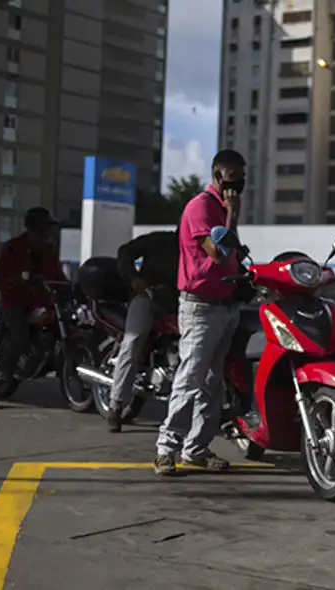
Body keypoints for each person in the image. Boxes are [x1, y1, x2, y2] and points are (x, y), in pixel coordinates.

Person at [154, 150, 246, 476]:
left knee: (212, 383)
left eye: (242, 180)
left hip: (225, 306)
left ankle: (196, 448)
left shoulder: (220, 209)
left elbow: (233, 255)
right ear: (217, 178)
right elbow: (218, 254)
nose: (238, 188)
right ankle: (167, 448)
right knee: (190, 379)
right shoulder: (201, 208)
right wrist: (232, 216)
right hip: (201, 307)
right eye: (233, 180)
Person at [0, 208, 68, 409]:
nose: (50, 232)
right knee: (19, 339)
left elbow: (58, 277)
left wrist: (72, 288)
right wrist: (21, 281)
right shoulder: (12, 248)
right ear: (36, 228)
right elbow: (2, 279)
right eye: (47, 227)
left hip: (41, 303)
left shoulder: (48, 252)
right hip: (15, 304)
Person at [105, 230, 180, 432]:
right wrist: (134, 278)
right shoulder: (159, 240)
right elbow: (125, 252)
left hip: (182, 304)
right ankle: (115, 404)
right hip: (149, 297)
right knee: (133, 341)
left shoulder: (203, 249)